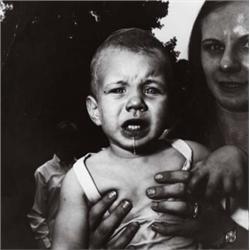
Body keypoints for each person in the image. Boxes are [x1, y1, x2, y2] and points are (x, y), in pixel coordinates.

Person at [86, 1, 249, 249]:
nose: (227, 63)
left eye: (247, 45)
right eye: (213, 47)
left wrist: (226, 233)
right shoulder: (175, 146)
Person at [52, 28, 210, 250]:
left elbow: (236, 205)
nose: (136, 102)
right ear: (95, 110)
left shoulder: (191, 155)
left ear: (170, 106)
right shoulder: (81, 179)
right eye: (118, 90)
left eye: (151, 89)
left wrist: (235, 156)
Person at [27, 121, 80, 249]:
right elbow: (37, 214)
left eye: (71, 140)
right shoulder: (43, 172)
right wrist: (48, 245)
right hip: (55, 241)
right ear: (56, 142)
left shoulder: (81, 168)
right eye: (64, 140)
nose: (68, 144)